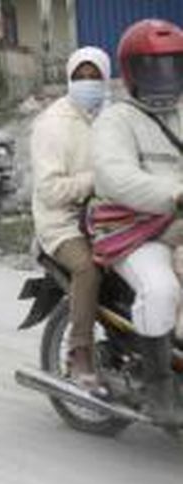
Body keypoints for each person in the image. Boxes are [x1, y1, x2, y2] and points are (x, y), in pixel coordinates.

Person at [92, 19, 183, 425]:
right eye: (152, 67)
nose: (164, 78)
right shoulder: (116, 121)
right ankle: (158, 385)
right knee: (161, 290)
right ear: (131, 72)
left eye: (172, 66)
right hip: (132, 229)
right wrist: (173, 193)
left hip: (177, 224)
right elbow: (116, 177)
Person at [30, 46, 111, 390]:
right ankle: (80, 352)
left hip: (112, 216)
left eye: (95, 77)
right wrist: (95, 180)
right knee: (87, 268)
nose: (88, 83)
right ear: (69, 79)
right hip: (62, 222)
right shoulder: (52, 124)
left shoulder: (114, 116)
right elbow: (49, 191)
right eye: (81, 77)